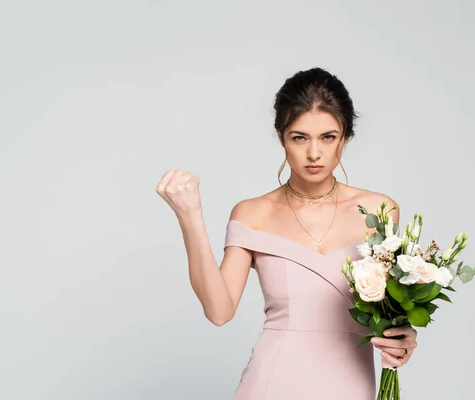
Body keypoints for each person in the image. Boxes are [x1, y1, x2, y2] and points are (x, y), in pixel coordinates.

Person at [156, 67, 418, 399]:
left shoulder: (380, 210)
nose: (314, 153)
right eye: (300, 137)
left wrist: (402, 339)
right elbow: (219, 311)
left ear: (345, 140)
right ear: (281, 138)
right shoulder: (253, 213)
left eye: (328, 137)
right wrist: (189, 216)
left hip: (350, 385)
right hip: (271, 384)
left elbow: (391, 313)